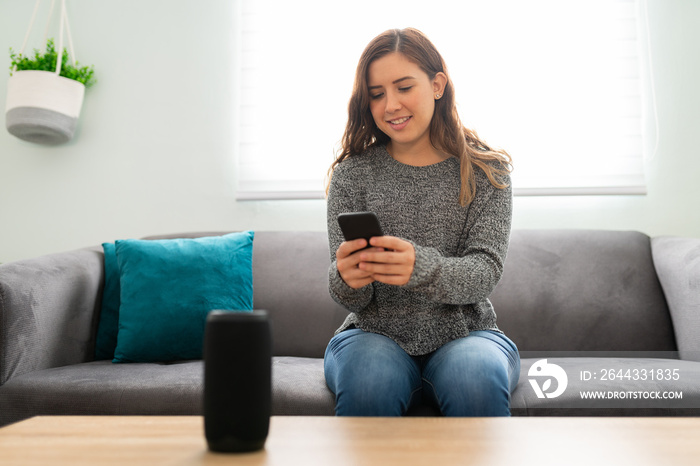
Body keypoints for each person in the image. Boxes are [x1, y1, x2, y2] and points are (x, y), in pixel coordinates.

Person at [323, 28, 520, 417]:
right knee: (369, 382)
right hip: (372, 335)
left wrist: (421, 268)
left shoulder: (487, 172)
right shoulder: (351, 176)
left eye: (403, 87)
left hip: (469, 334)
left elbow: (485, 272)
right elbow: (352, 298)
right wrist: (347, 277)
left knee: (475, 380)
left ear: (437, 85)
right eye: (376, 94)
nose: (390, 105)